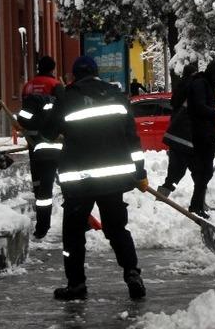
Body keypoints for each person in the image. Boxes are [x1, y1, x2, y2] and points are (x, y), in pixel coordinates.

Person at [43, 56, 148, 301]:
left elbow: (48, 132)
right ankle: (132, 272)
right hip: (113, 179)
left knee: (73, 235)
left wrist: (52, 108)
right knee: (117, 229)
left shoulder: (68, 98)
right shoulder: (116, 95)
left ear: (74, 76)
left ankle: (76, 284)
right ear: (96, 72)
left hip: (80, 181)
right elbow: (133, 140)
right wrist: (139, 172)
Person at [16, 55, 65, 239]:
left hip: (33, 141)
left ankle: (41, 227)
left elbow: (24, 113)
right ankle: (78, 217)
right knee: (63, 180)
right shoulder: (55, 85)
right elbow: (62, 111)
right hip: (53, 140)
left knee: (39, 185)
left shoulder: (28, 85)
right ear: (52, 69)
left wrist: (26, 126)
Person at [185, 59, 215, 219]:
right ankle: (196, 206)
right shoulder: (200, 84)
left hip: (207, 132)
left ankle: (196, 205)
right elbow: (199, 108)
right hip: (200, 133)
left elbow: (209, 107)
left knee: (205, 172)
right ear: (214, 73)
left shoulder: (207, 84)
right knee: (204, 171)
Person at [158, 62, 198, 197]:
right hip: (186, 137)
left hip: (176, 135)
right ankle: (198, 202)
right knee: (198, 172)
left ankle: (163, 194)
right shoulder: (192, 88)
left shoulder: (179, 87)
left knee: (175, 171)